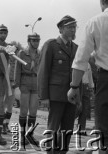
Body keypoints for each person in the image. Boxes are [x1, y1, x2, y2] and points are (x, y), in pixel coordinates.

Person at [67, 1, 108, 153]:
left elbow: (81, 59)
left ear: (102, 3)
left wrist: (73, 86)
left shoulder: (96, 22)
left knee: (104, 132)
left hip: (106, 79)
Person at [38, 15, 78, 153]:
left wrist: (80, 97)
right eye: (70, 27)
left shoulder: (76, 48)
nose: (73, 30)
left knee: (68, 129)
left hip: (71, 96)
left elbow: (79, 74)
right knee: (53, 128)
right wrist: (43, 96)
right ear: (61, 29)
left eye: (74, 27)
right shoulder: (51, 45)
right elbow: (43, 71)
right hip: (56, 95)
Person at [15, 32, 40, 146]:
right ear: (29, 41)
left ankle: (30, 135)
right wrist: (16, 86)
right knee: (24, 110)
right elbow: (17, 70)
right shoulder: (22, 53)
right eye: (34, 40)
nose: (36, 42)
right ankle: (22, 135)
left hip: (36, 83)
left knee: (33, 111)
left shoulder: (40, 54)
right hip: (24, 83)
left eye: (37, 40)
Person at [2, 54, 16, 134]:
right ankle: (2, 123)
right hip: (4, 83)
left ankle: (6, 124)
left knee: (10, 105)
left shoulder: (16, 63)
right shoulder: (4, 62)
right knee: (3, 104)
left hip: (12, 84)